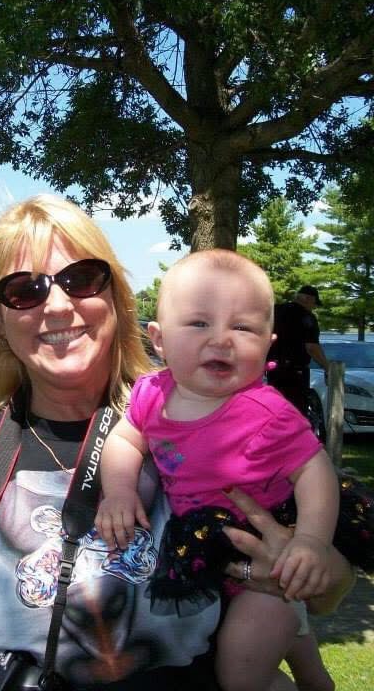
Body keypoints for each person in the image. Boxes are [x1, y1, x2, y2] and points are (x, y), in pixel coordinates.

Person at [0, 197, 354, 691]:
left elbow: (329, 588)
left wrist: (316, 567)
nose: (58, 305)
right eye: (24, 291)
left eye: (81, 279)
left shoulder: (205, 418)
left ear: (114, 298)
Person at [95, 250, 340, 691]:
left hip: (263, 571)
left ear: (267, 343)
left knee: (241, 677)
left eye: (243, 328)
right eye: (199, 323)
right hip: (205, 558)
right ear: (159, 339)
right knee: (260, 650)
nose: (222, 339)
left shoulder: (267, 413)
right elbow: (125, 439)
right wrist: (118, 491)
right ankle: (310, 670)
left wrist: (310, 540)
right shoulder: (152, 394)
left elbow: (315, 471)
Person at [266, 285, 330, 416]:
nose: (313, 307)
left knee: (276, 410)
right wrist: (327, 367)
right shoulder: (306, 317)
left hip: (273, 370)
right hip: (295, 372)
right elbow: (311, 347)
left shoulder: (274, 311)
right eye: (314, 303)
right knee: (295, 412)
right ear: (308, 299)